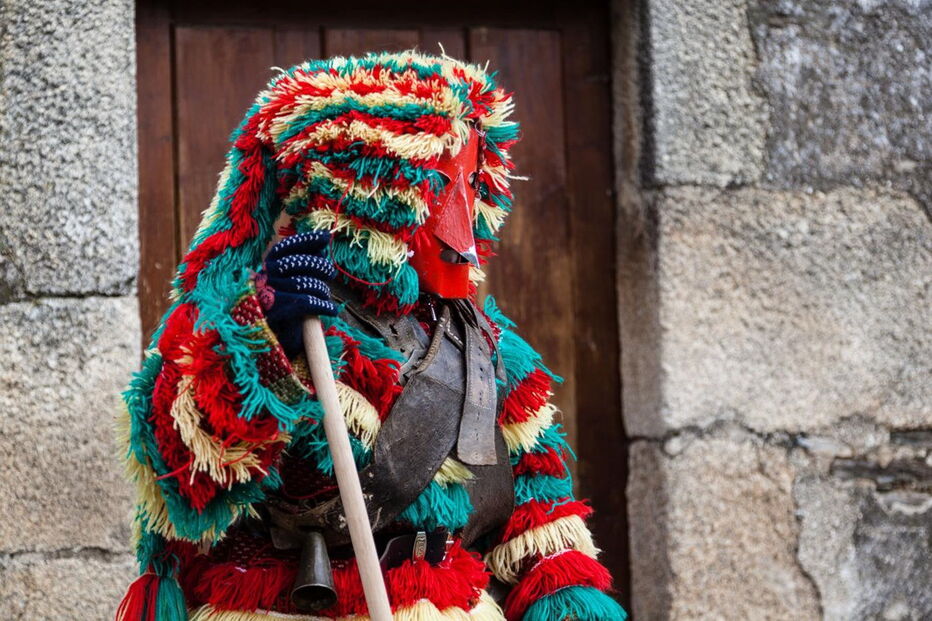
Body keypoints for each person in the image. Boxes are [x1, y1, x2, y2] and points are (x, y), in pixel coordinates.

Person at [116, 50, 626, 621]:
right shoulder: (254, 323)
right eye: (437, 189)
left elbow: (543, 536)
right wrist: (267, 342)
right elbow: (184, 484)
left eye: (470, 183)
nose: (458, 226)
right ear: (367, 189)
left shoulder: (488, 351)